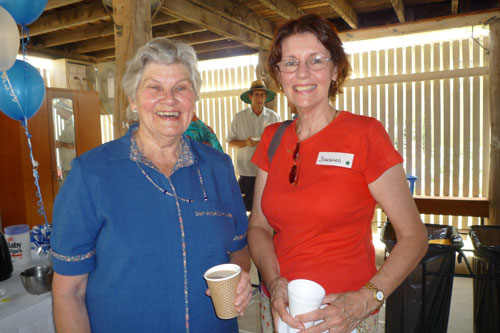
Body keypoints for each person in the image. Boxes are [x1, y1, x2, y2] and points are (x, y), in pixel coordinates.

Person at [50, 38, 253, 332]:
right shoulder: (91, 173)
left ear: (193, 99)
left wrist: (243, 274)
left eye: (181, 88)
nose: (169, 99)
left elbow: (239, 248)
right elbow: (69, 291)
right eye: (154, 87)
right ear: (133, 99)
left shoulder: (218, 167)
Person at [248, 14, 428, 333]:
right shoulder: (272, 138)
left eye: (315, 60)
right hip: (278, 308)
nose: (302, 73)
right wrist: (274, 282)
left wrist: (366, 299)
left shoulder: (365, 134)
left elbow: (414, 237)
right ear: (278, 74)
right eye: (290, 62)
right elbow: (259, 226)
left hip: (345, 314)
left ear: (334, 69)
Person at [227, 79, 280, 211]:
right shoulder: (240, 117)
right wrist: (246, 142)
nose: (259, 98)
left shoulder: (274, 117)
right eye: (256, 94)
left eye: (262, 95)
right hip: (246, 172)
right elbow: (231, 142)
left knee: (267, 210)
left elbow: (280, 143)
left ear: (265, 97)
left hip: (267, 172)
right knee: (243, 210)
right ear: (250, 97)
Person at [54, 100, 76, 184]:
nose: (59, 116)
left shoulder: (73, 125)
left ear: (65, 110)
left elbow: (77, 145)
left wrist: (60, 144)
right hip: (67, 165)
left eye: (59, 114)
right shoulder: (68, 125)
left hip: (71, 166)